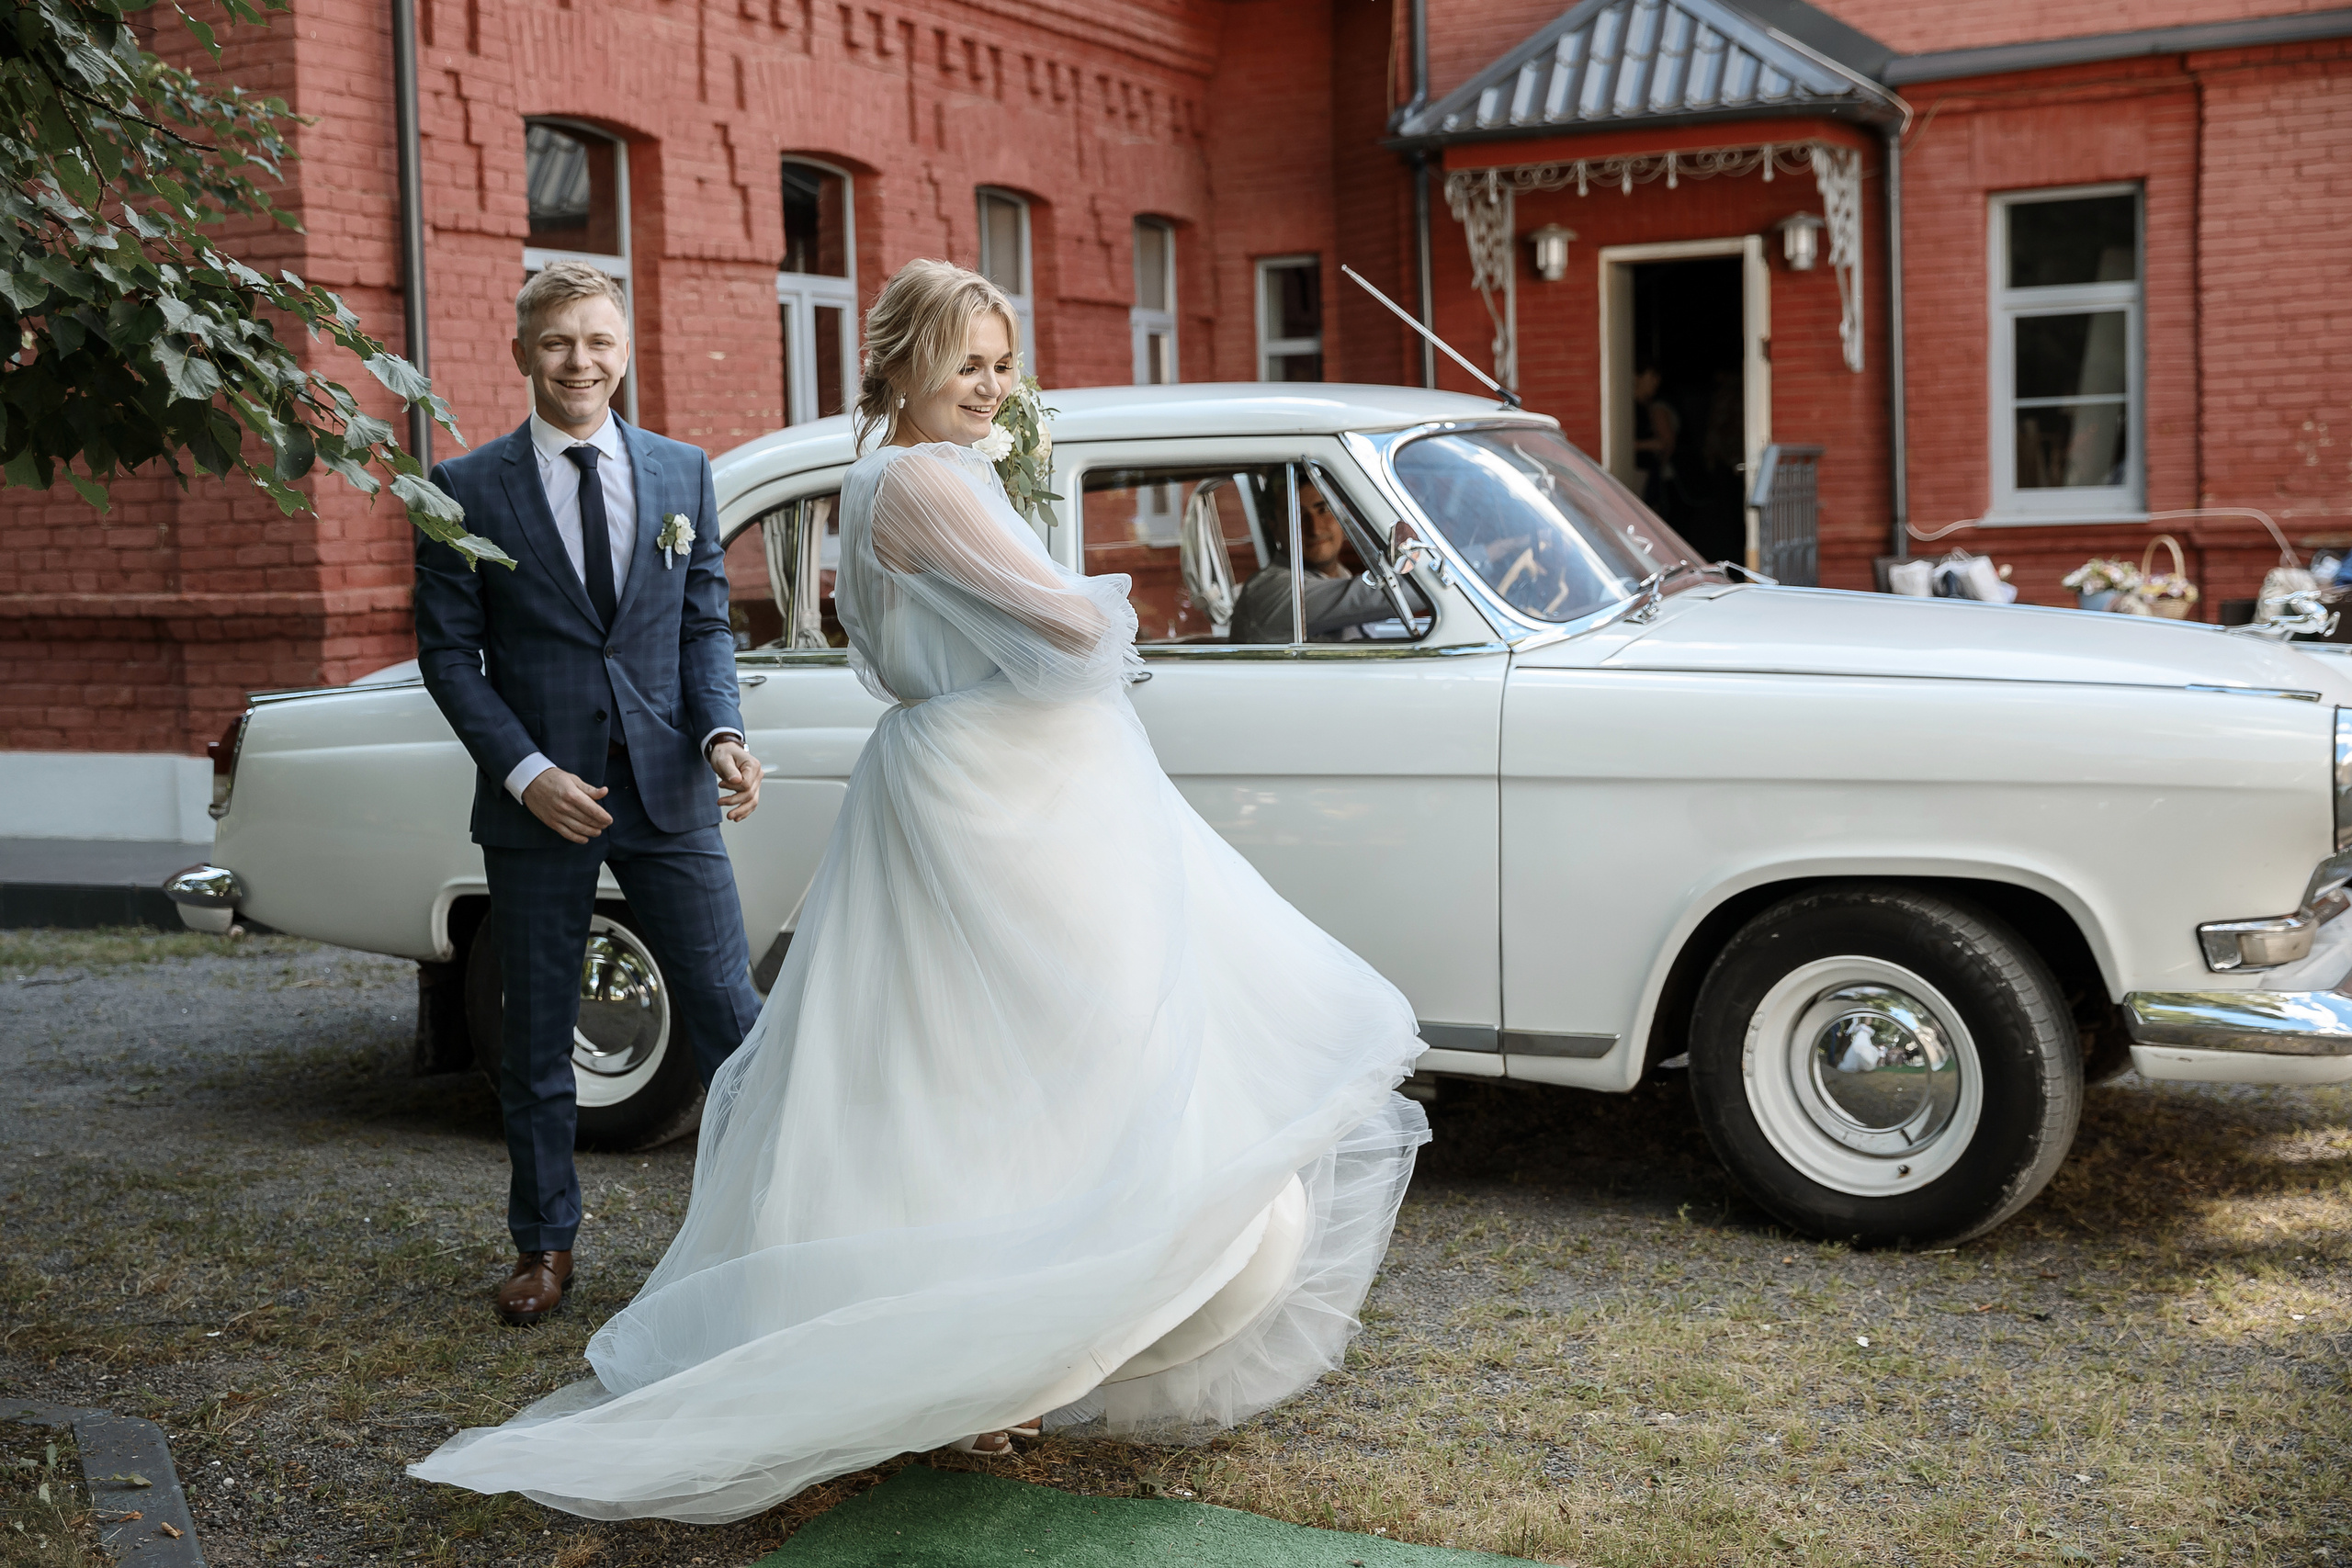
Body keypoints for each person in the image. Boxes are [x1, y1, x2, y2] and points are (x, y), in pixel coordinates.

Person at [410, 259, 1430, 1521]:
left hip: (927, 785)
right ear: (901, 367)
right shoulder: (906, 480)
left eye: (1003, 364)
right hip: (960, 793)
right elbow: (1068, 626)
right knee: (982, 1048)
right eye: (969, 364)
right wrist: (1097, 603)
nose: (992, 386)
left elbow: (712, 629)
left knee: (949, 1053)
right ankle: (580, 1245)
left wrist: (725, 729)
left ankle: (994, 1303)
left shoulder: (813, 472)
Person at [412, 262, 766, 1328]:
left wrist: (722, 733)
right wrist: (527, 773)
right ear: (522, 352)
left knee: (732, 1019)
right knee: (533, 1037)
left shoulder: (680, 474)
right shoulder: (462, 489)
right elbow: (448, 657)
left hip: (669, 787)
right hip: (537, 799)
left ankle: (771, 1226)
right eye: (559, 342)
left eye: (600, 341)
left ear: (625, 350)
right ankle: (544, 1242)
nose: (581, 362)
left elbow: (703, 624)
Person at [1227, 479, 1395, 644]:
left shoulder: (1341, 578)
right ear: (1275, 527)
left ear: (1342, 516)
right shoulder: (1270, 592)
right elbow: (1385, 594)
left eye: (1323, 509)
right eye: (1297, 515)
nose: (1315, 529)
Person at [1631, 361, 1681, 524]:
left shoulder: (1648, 406)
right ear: (1637, 377)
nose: (1655, 382)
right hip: (1637, 469)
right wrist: (1652, 444)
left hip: (1650, 469)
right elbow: (1624, 444)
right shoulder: (1629, 408)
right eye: (1651, 376)